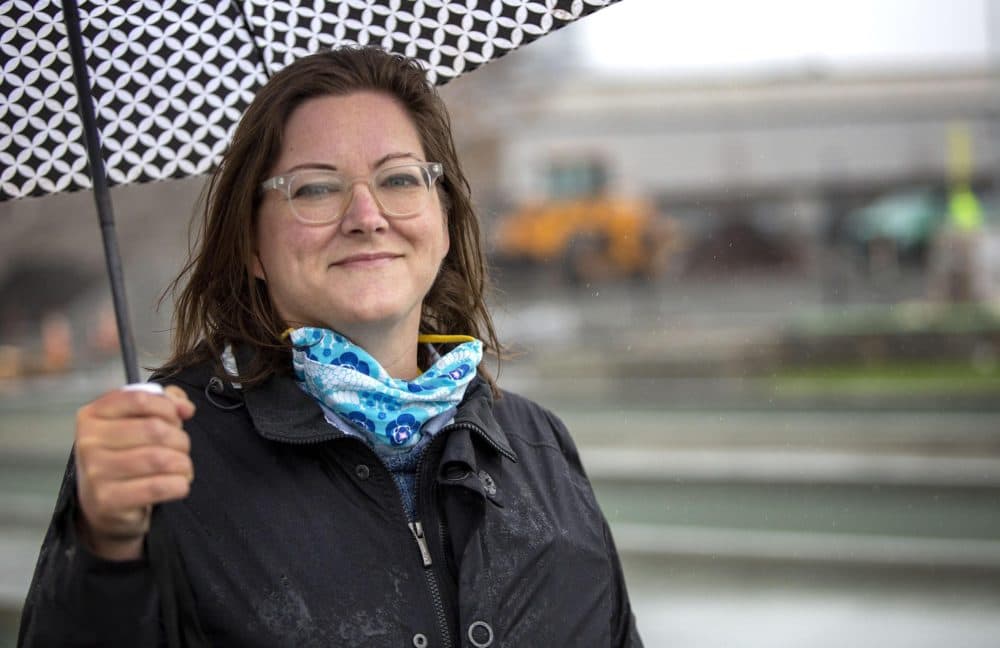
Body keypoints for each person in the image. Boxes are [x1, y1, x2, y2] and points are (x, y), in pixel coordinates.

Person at [18, 47, 643, 647]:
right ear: (250, 245)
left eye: (399, 178)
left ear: (444, 222)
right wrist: (104, 552)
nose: (366, 215)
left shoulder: (539, 446)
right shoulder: (159, 455)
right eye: (315, 189)